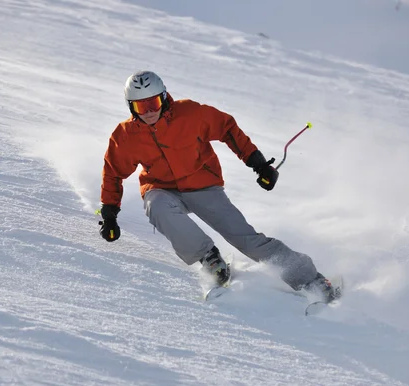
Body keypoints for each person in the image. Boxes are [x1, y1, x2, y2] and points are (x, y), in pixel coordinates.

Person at [98, 71, 338, 302]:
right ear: (131, 107)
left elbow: (227, 128)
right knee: (155, 205)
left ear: (163, 97)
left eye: (153, 103)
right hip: (162, 189)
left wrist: (259, 164)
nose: (150, 112)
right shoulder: (125, 136)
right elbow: (113, 172)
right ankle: (210, 259)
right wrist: (109, 214)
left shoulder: (190, 114)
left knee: (247, 241)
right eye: (141, 106)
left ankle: (312, 280)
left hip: (203, 186)